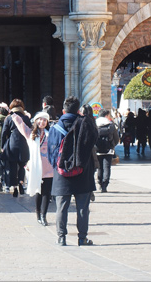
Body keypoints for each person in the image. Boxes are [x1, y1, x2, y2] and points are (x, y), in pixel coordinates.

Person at [47, 96, 98, 247]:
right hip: (83, 171)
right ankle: (82, 238)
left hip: (62, 174)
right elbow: (93, 141)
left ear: (63, 110)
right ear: (78, 110)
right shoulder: (85, 124)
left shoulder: (55, 128)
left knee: (61, 207)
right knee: (83, 208)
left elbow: (51, 152)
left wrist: (57, 167)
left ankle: (61, 237)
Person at [11, 110, 53, 226]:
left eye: (45, 120)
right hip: (36, 168)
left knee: (46, 193)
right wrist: (12, 112)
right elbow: (20, 124)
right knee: (38, 192)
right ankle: (38, 213)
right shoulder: (30, 134)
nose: (42, 122)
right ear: (36, 121)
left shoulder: (50, 134)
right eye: (40, 119)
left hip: (49, 168)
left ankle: (44, 216)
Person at [1, 98, 32, 198]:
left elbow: (3, 133)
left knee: (13, 166)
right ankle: (21, 183)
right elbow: (31, 131)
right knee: (22, 165)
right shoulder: (26, 118)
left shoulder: (9, 118)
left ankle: (14, 187)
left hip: (12, 144)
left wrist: (2, 146)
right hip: (24, 144)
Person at [95, 109, 120, 192]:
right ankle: (105, 185)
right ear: (106, 115)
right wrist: (112, 145)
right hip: (108, 150)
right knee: (107, 167)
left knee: (100, 167)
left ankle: (99, 182)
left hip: (97, 150)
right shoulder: (111, 125)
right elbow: (116, 138)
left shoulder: (95, 124)